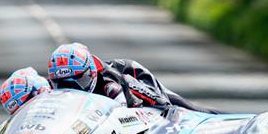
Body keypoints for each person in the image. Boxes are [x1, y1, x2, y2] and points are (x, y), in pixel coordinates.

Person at [47, 42, 217, 113]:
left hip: (135, 79)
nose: (70, 89)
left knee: (178, 107)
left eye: (79, 81)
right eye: (60, 84)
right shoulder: (46, 87)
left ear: (91, 73)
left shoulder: (112, 83)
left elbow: (162, 105)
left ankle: (218, 115)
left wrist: (167, 108)